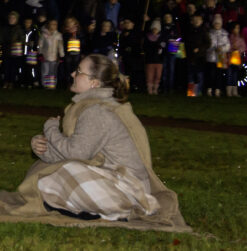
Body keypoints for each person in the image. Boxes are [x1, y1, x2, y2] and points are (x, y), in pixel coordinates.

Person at [26, 55, 167, 221]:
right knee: (44, 173)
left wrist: (50, 130)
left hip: (129, 188)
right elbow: (70, 151)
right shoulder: (90, 107)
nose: (72, 74)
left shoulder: (97, 111)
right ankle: (89, 209)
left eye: (78, 72)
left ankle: (118, 211)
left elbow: (75, 154)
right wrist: (42, 147)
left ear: (94, 83)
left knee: (54, 175)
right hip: (113, 179)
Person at [142, 20, 164, 95]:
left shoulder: (162, 38)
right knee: (149, 75)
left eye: (157, 28)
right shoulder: (147, 37)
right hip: (150, 60)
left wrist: (161, 49)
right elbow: (145, 47)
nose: (155, 30)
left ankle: (155, 89)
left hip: (159, 60)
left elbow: (164, 47)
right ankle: (150, 90)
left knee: (158, 75)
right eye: (154, 28)